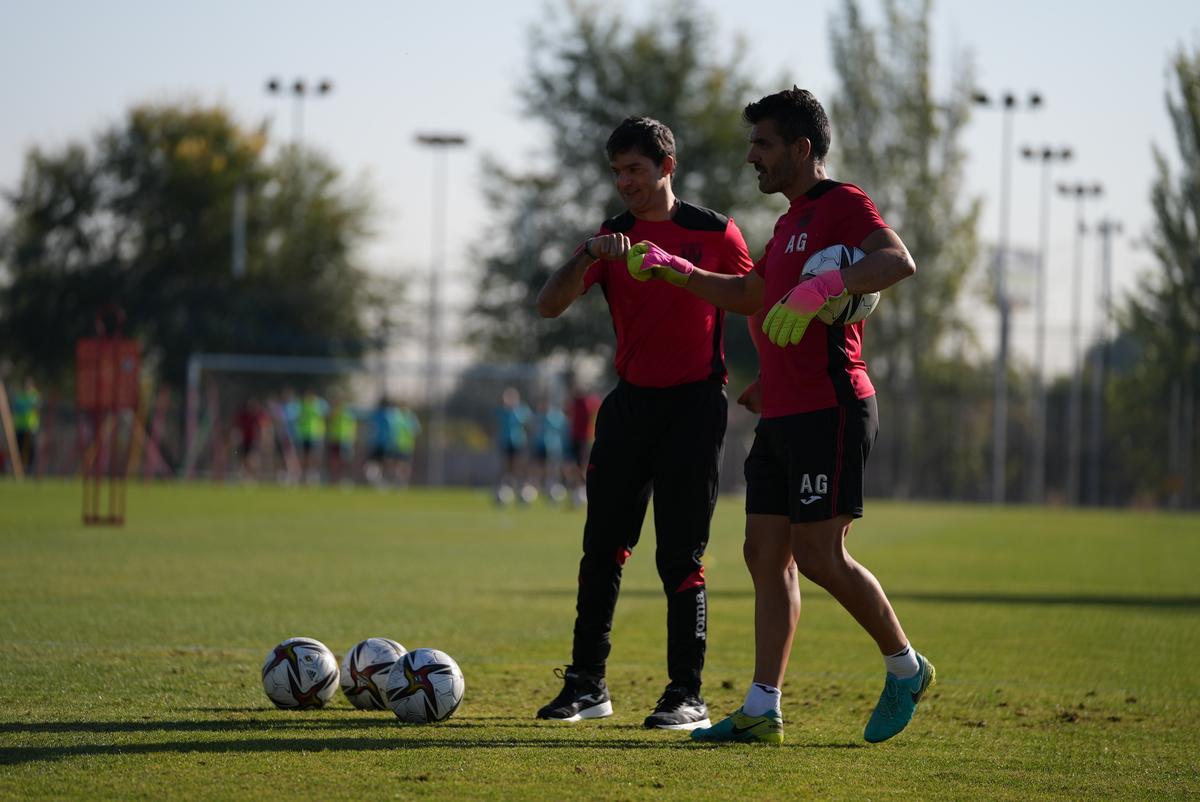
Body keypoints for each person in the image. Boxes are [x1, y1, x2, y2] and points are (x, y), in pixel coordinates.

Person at [626, 88, 932, 745]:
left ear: (802, 148)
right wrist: (675, 268)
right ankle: (763, 708)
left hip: (832, 407)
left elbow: (895, 260)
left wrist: (828, 285)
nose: (751, 157)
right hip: (785, 412)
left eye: (762, 144)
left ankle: (905, 667)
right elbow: (751, 294)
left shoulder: (842, 204)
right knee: (765, 553)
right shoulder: (789, 222)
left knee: (820, 554)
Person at [534, 116, 754, 730]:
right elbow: (548, 306)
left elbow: (755, 298)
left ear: (667, 167)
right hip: (630, 406)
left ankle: (686, 693)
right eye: (617, 172)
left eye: (635, 169)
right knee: (601, 549)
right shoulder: (612, 237)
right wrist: (587, 252)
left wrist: (769, 374)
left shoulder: (715, 232)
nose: (625, 182)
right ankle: (586, 685)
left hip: (695, 408)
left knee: (680, 556)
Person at [494, 386, 532, 504]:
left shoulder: (521, 410)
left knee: (519, 466)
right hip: (506, 442)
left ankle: (522, 489)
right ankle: (504, 488)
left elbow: (526, 421)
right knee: (506, 466)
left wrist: (514, 409)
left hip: (518, 442)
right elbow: (497, 420)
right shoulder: (502, 411)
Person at [12, 376, 42, 475]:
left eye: (29, 383)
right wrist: (26, 407)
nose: (27, 385)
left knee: (30, 450)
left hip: (30, 427)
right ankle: (19, 470)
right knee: (19, 449)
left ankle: (30, 470)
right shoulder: (20, 395)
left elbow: (37, 408)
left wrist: (26, 407)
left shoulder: (35, 395)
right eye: (25, 383)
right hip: (19, 427)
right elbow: (16, 408)